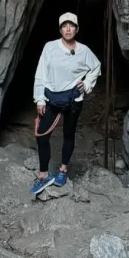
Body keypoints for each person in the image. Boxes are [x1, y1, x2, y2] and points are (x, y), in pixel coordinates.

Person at [31, 12, 101, 195]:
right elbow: (41, 73)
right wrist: (39, 98)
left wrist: (87, 83)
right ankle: (44, 175)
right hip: (52, 97)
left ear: (76, 30)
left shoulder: (84, 51)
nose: (68, 29)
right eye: (64, 26)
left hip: (73, 99)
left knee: (68, 134)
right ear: (60, 29)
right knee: (42, 135)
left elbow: (96, 66)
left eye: (71, 26)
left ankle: (63, 170)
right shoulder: (50, 47)